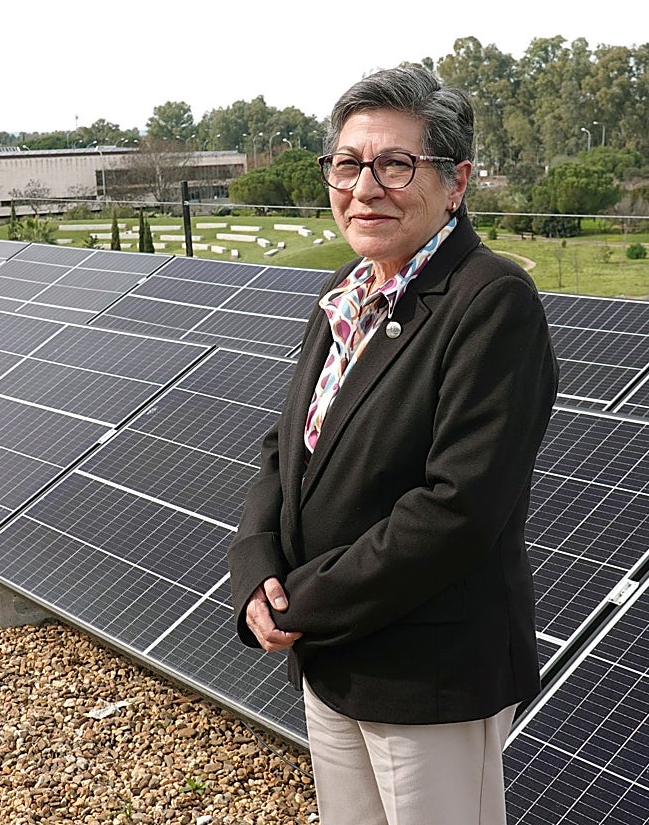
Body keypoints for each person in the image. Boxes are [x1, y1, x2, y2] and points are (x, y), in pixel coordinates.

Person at [228, 66, 557, 825]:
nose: (364, 187)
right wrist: (254, 568)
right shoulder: (348, 289)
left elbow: (456, 509)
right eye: (348, 163)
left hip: (426, 673)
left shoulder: (490, 302)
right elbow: (288, 445)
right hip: (332, 659)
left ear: (456, 181)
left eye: (395, 164)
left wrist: (301, 600)